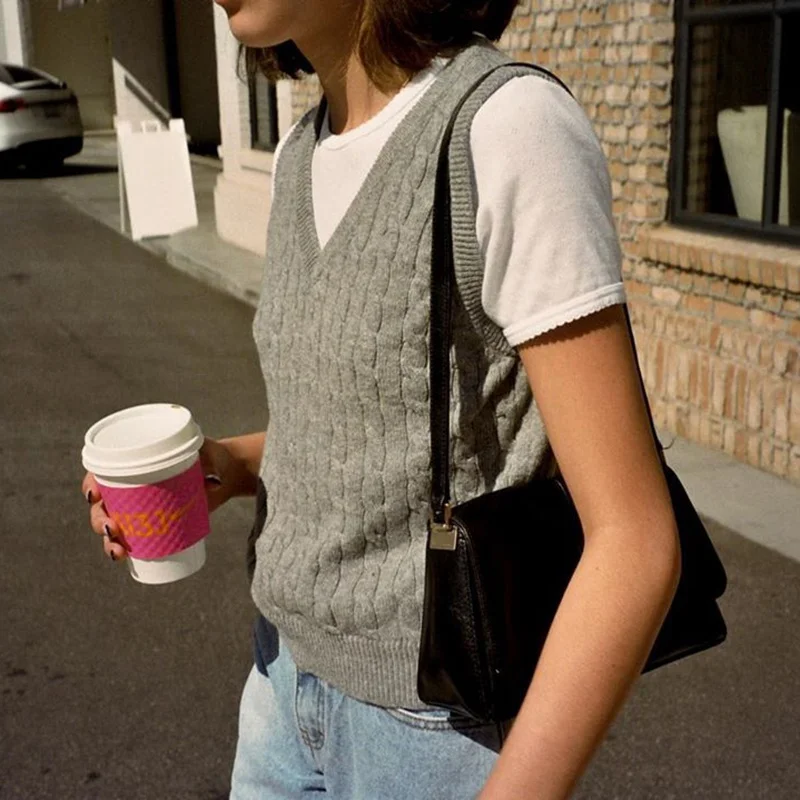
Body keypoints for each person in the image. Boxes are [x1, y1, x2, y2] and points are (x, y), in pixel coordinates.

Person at [83, 1, 682, 797]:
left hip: (430, 730)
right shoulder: (301, 152)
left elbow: (635, 540)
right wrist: (229, 465)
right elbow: (366, 432)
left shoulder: (507, 129)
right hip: (280, 685)